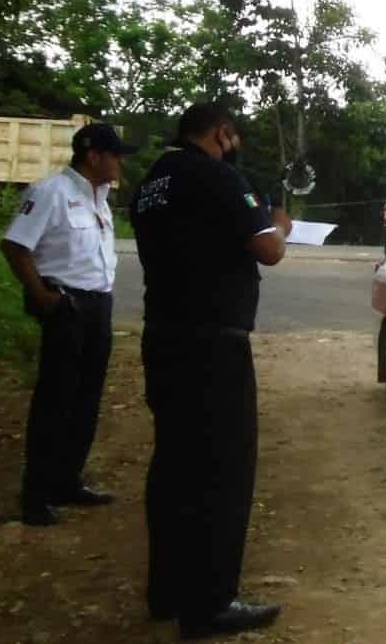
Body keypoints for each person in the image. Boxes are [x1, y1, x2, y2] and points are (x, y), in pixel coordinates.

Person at [130, 103, 293, 639]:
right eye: (233, 136)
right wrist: (281, 224)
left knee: (174, 466)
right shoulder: (218, 176)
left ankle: (167, 591)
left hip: (165, 337)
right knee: (221, 473)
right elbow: (268, 249)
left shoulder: (154, 180)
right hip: (213, 345)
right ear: (222, 134)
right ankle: (211, 603)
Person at [0, 123, 136, 526]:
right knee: (55, 401)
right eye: (116, 155)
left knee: (86, 399)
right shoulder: (50, 193)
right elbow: (14, 245)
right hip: (66, 304)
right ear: (93, 156)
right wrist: (42, 296)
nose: (121, 162)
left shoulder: (101, 197)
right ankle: (36, 495)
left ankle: (67, 480)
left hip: (98, 305)